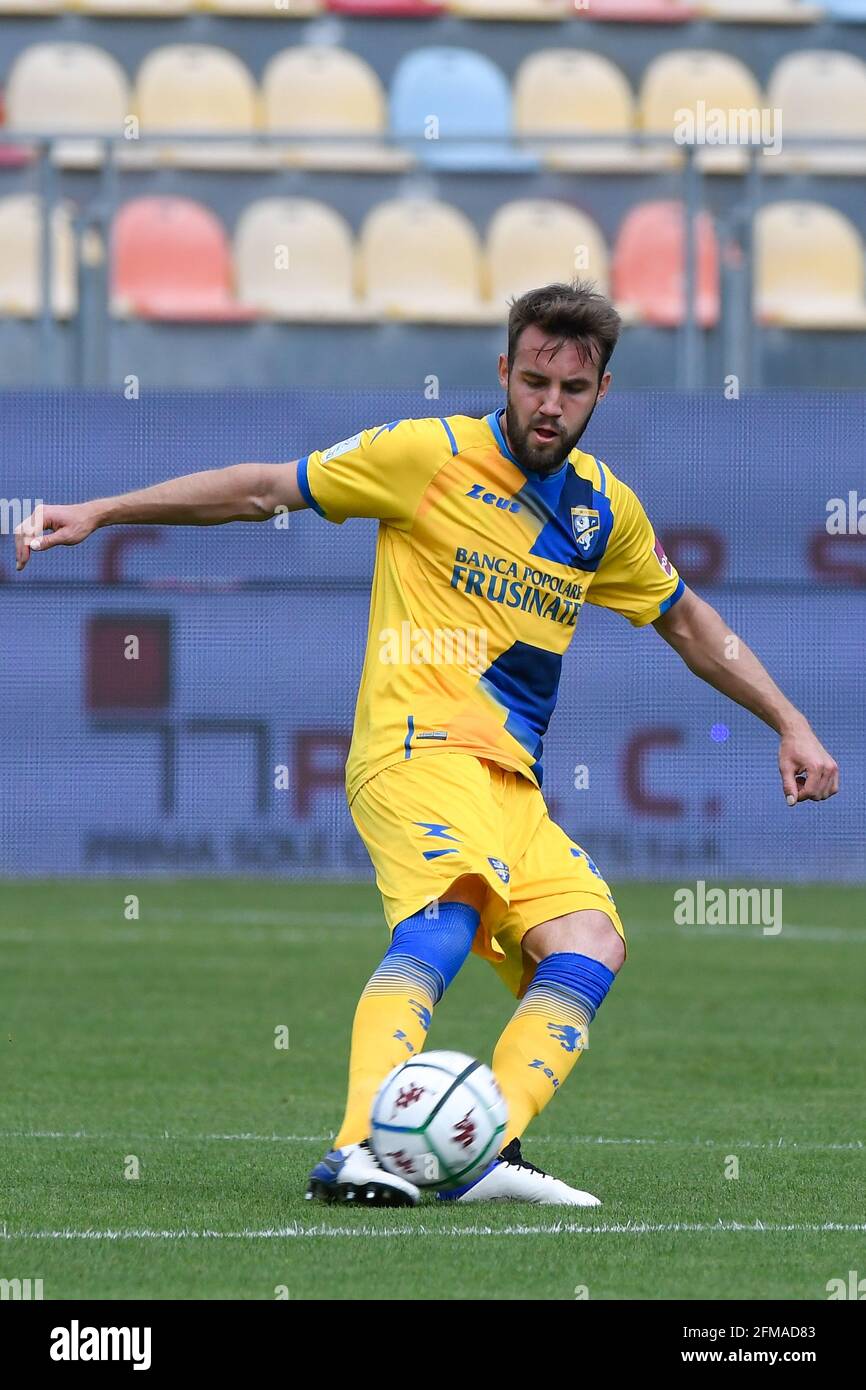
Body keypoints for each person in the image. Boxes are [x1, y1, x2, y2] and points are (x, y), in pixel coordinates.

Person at [14, 282, 839, 1207]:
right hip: (413, 749)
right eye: (533, 382)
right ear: (504, 371)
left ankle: (486, 1148)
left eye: (571, 390)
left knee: (590, 942)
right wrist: (99, 511)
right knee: (447, 918)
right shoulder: (427, 455)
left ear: (602, 391)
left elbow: (687, 623)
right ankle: (361, 1144)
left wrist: (789, 720)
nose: (548, 405)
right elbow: (259, 490)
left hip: (508, 780)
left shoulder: (603, 513)